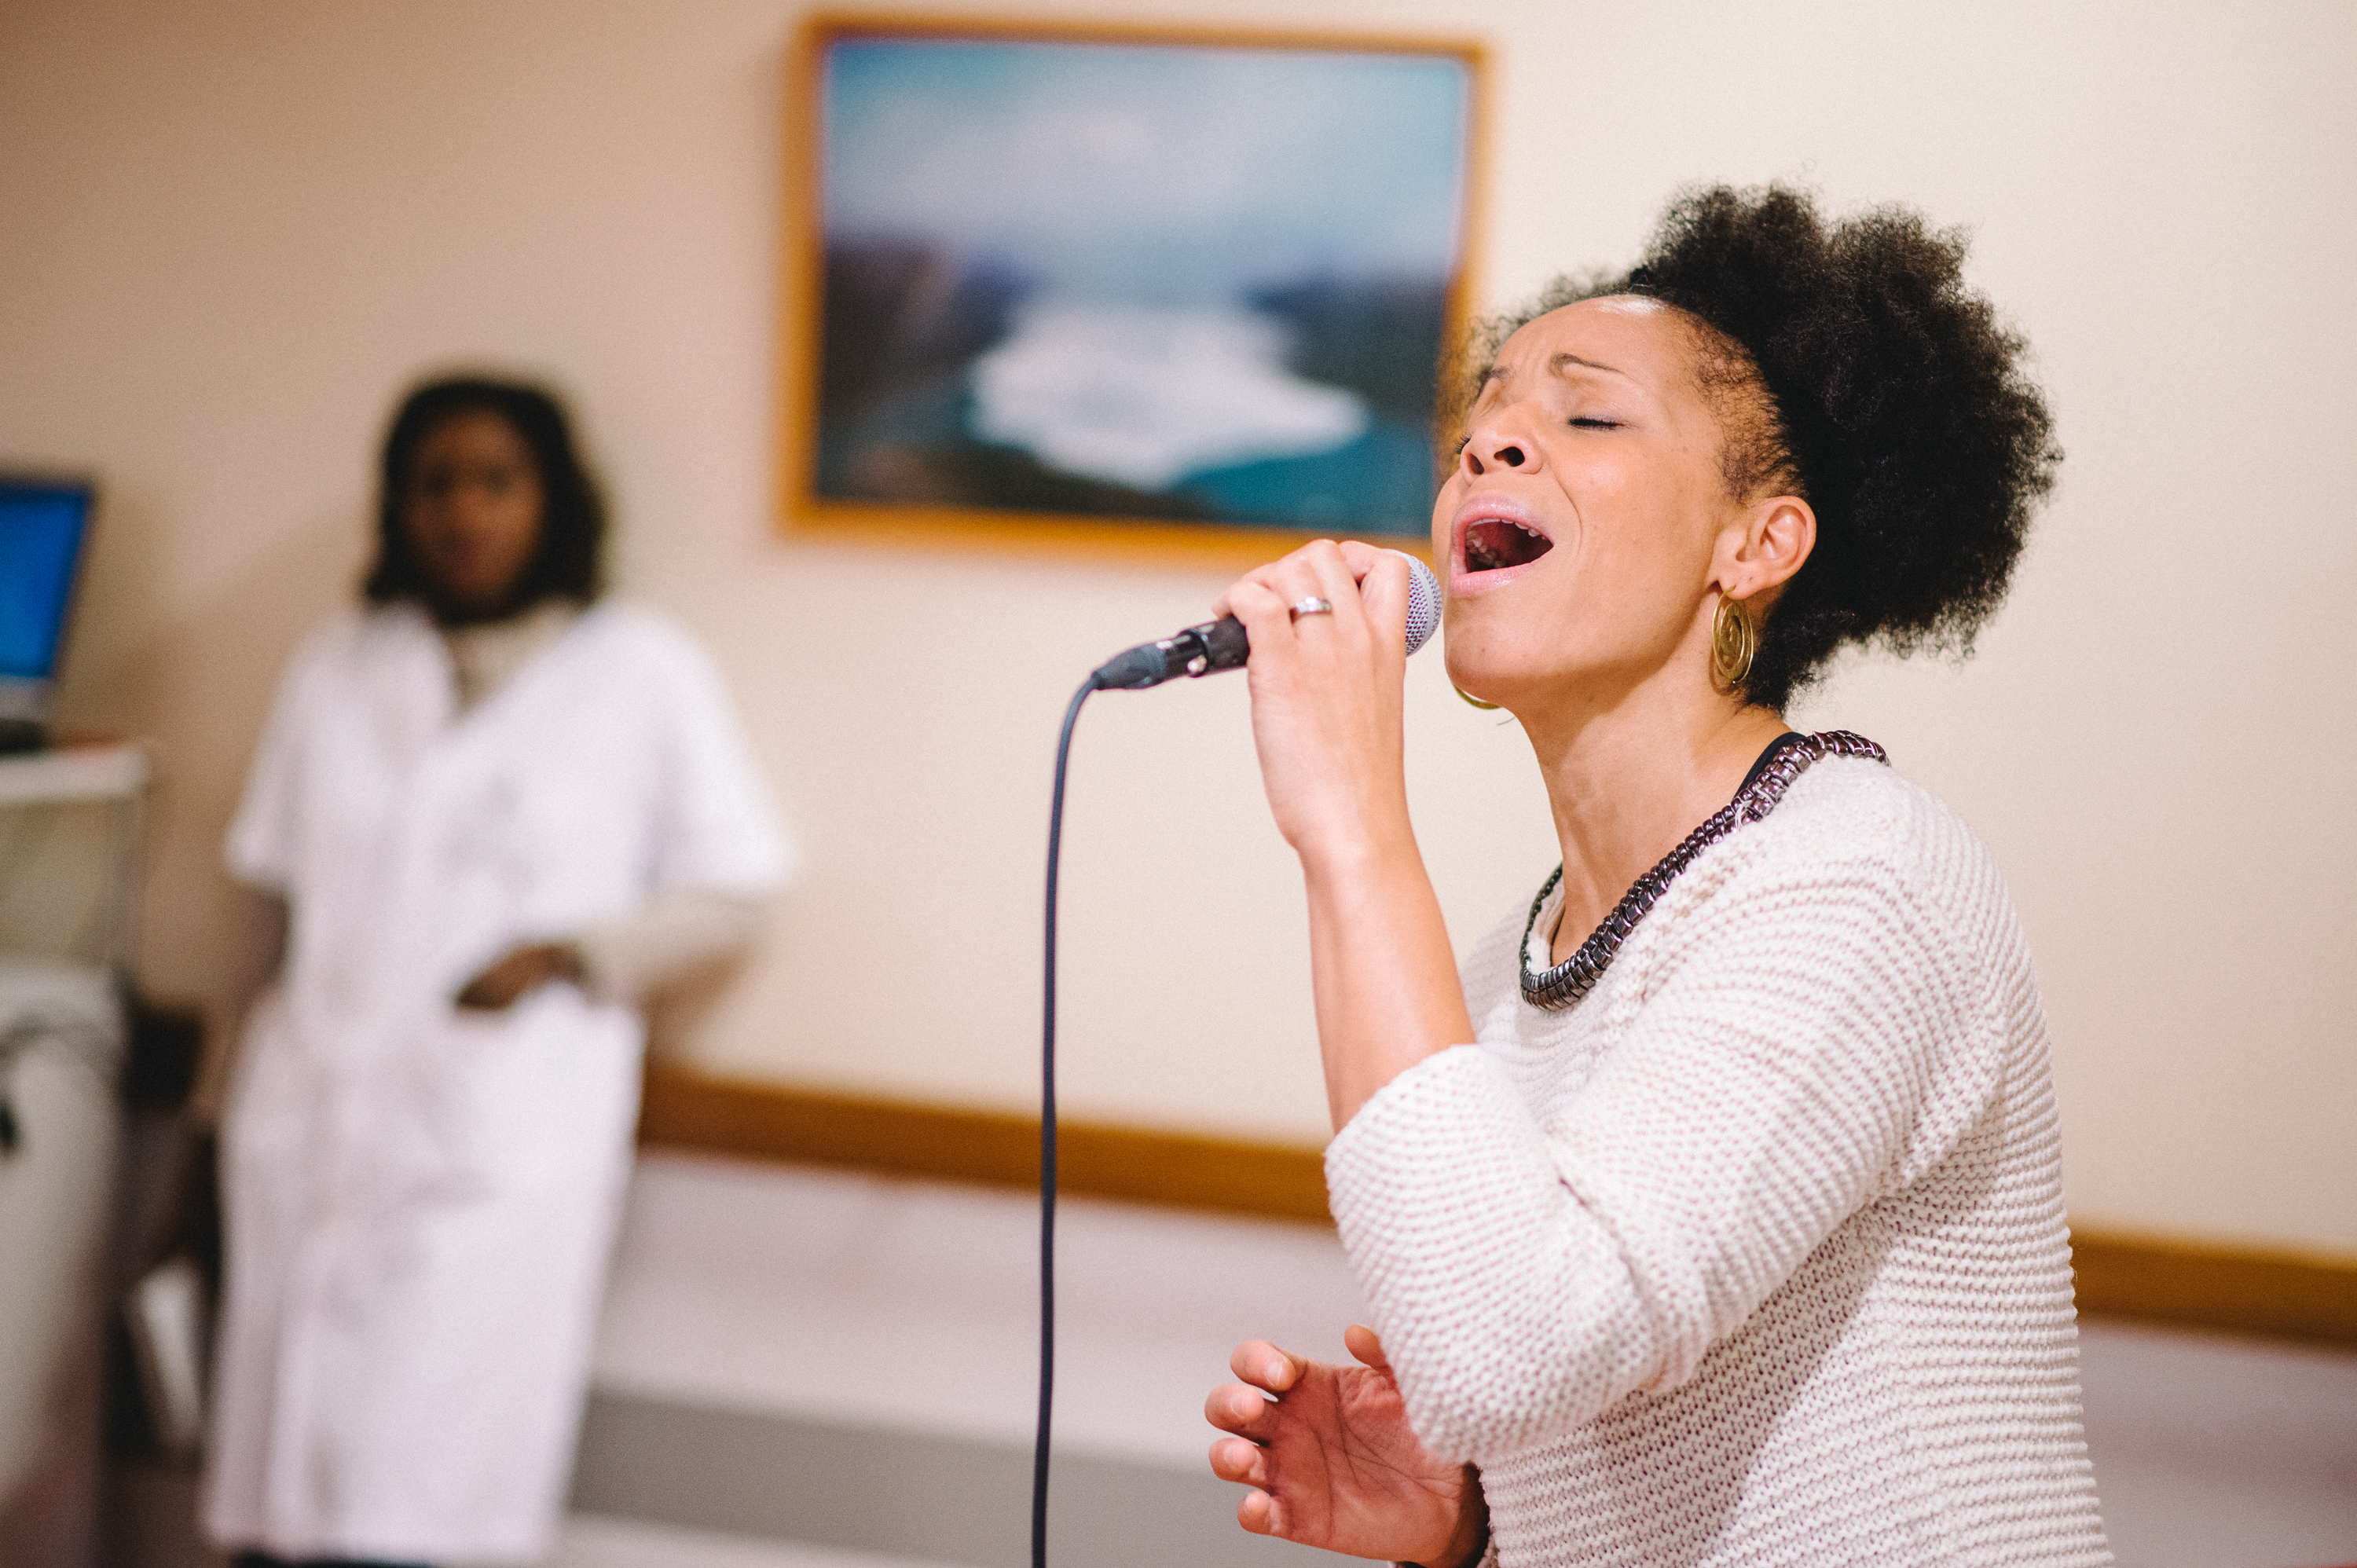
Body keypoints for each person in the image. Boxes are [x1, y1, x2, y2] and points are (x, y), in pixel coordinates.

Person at [1199, 187, 2111, 1566]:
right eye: (1481, 424)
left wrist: (1348, 819)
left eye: (1589, 414)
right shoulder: (1521, 964)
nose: (1487, 443)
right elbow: (1555, 1366)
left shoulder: (1858, 880)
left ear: (1759, 545)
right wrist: (1472, 1524)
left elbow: (1511, 1349)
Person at [204, 377, 791, 1566]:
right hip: (306, 1134)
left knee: (418, 1506)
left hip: (491, 1149)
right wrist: (205, 1133)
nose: (463, 512)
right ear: (398, 508)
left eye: (495, 481)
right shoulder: (339, 668)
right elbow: (278, 913)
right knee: (278, 1505)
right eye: (435, 485)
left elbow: (736, 893)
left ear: (552, 501)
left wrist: (571, 953)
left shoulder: (641, 673)